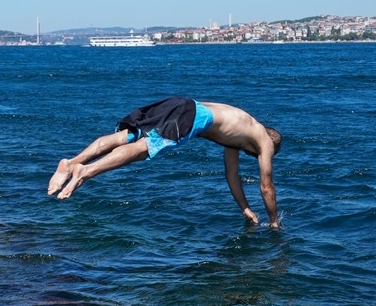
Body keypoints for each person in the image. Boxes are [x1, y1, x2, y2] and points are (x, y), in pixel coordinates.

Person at [47, 96, 283, 227]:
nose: (261, 157)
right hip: (193, 117)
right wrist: (274, 221)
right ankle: (85, 171)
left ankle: (71, 163)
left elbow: (232, 175)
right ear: (272, 142)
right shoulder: (265, 140)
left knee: (125, 136)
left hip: (182, 104)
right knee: (142, 150)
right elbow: (266, 186)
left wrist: (245, 208)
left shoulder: (238, 135)